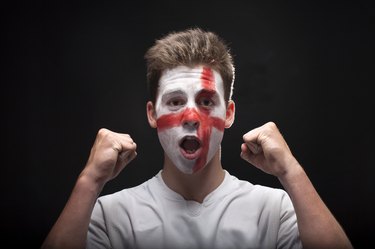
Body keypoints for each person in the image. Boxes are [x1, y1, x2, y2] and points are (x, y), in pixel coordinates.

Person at [41, 28, 353, 249]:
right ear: (152, 114)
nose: (191, 117)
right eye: (175, 101)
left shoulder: (273, 210)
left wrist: (292, 172)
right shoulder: (109, 216)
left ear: (228, 113)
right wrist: (89, 182)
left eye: (206, 101)